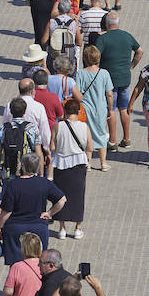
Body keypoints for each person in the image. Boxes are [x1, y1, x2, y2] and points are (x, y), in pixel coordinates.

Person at [0, 150, 66, 260]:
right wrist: (49, 213)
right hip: (38, 229)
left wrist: (0, 227)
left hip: (15, 230)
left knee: (16, 266)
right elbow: (62, 200)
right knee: (37, 264)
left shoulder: (13, 185)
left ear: (22, 166)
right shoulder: (44, 183)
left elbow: (6, 212)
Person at [97, 13, 143, 148]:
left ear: (106, 23)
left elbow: (95, 55)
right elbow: (140, 51)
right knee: (124, 108)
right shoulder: (127, 35)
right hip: (125, 78)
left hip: (109, 80)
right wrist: (132, 65)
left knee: (111, 110)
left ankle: (112, 140)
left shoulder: (103, 38)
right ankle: (126, 139)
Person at [51, 95, 92, 239]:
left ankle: (61, 228)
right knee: (78, 196)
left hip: (61, 164)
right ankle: (77, 228)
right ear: (78, 111)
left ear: (65, 111)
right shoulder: (84, 126)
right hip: (79, 164)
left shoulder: (58, 126)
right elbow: (90, 147)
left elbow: (52, 146)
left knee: (61, 196)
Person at [77, 43, 117, 170]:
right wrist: (110, 109)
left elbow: (77, 91)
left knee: (86, 134)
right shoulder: (104, 73)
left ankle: (88, 163)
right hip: (100, 108)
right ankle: (103, 163)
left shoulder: (80, 73)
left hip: (85, 107)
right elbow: (109, 94)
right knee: (100, 133)